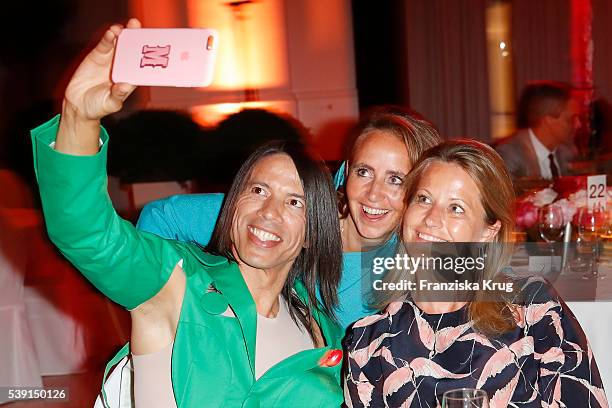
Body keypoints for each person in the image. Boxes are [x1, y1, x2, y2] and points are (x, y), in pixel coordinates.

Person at [31, 19, 345, 407]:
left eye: (294, 202)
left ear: (313, 231)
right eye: (258, 190)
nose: (269, 212)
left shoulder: (322, 330)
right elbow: (88, 233)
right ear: (232, 205)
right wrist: (79, 116)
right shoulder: (177, 283)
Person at [344, 140, 607, 407]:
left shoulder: (533, 310)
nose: (432, 219)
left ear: (487, 231)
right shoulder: (371, 343)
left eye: (456, 208)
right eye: (424, 199)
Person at [137, 105, 442, 328]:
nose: (373, 194)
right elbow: (162, 218)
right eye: (364, 172)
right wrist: (179, 310)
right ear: (347, 172)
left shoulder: (419, 247)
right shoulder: (296, 209)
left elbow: (483, 302)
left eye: (395, 179)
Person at [495, 80, 581, 180]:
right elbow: (508, 195)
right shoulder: (510, 153)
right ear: (548, 120)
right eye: (570, 119)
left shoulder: (568, 151)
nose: (578, 124)